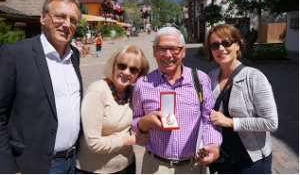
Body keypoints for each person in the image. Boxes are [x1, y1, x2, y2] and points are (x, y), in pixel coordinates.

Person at [0, 0, 83, 174]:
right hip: (31, 164)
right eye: (60, 16)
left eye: (73, 20)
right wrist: (8, 169)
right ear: (43, 18)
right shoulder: (15, 54)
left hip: (71, 162)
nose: (67, 24)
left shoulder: (74, 55)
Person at [131, 27, 222, 174]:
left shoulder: (200, 79)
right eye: (162, 49)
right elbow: (135, 121)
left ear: (183, 51)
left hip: (193, 166)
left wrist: (213, 145)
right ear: (154, 51)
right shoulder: (143, 84)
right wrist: (144, 123)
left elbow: (209, 119)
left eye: (174, 49)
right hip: (156, 166)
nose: (168, 55)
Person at [205, 24, 278, 174]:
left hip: (252, 158)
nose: (221, 48)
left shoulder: (254, 77)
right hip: (223, 157)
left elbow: (271, 123)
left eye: (226, 43)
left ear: (237, 45)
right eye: (215, 45)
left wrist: (230, 122)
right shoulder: (210, 77)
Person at [76, 44, 150, 174]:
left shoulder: (133, 92)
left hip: (126, 166)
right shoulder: (98, 91)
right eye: (122, 66)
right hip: (95, 169)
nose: (126, 72)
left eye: (133, 70)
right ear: (113, 65)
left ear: (138, 74)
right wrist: (132, 140)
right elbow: (94, 143)